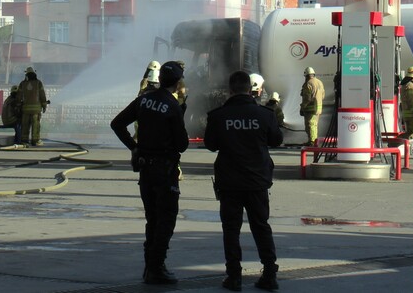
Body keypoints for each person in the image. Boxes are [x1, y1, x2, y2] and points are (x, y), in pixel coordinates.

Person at [110, 61, 189, 285]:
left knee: (152, 218)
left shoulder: (143, 100)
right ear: (178, 82)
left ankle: (150, 266)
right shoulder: (172, 106)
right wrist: (181, 114)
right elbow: (182, 144)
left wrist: (134, 147)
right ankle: (156, 267)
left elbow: (117, 124)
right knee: (166, 219)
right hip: (165, 170)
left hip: (145, 168)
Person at [204, 71, 283, 292]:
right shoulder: (265, 114)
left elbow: (210, 144)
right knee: (261, 226)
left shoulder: (218, 116)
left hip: (229, 182)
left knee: (231, 229)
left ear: (230, 89)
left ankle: (234, 276)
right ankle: (269, 273)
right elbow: (277, 140)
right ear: (250, 89)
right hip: (257, 181)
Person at [17, 67, 47, 146]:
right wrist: (44, 105)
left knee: (25, 126)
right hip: (36, 111)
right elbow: (42, 95)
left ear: (26, 74)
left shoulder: (22, 84)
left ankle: (24, 141)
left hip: (25, 110)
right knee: (35, 126)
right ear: (34, 74)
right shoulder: (38, 83)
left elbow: (19, 97)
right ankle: (35, 141)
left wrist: (18, 106)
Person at [300, 67, 325, 147]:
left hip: (310, 109)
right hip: (318, 108)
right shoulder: (319, 82)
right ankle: (313, 140)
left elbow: (307, 98)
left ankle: (312, 142)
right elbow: (323, 95)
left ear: (306, 75)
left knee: (310, 125)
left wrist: (303, 107)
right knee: (314, 125)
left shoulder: (308, 84)